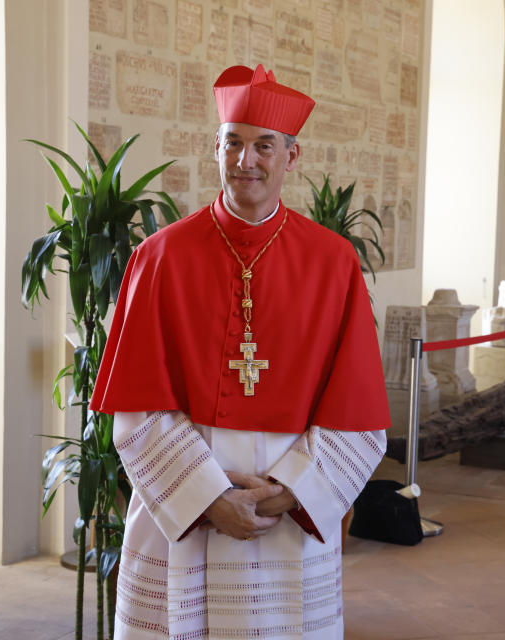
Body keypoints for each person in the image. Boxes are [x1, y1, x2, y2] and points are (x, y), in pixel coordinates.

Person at [91, 63, 390, 639]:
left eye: (263, 146)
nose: (245, 160)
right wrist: (207, 497)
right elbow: (134, 409)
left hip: (287, 512)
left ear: (291, 157)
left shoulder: (333, 263)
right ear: (217, 149)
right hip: (186, 508)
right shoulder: (159, 257)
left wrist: (291, 492)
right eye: (233, 143)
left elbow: (358, 412)